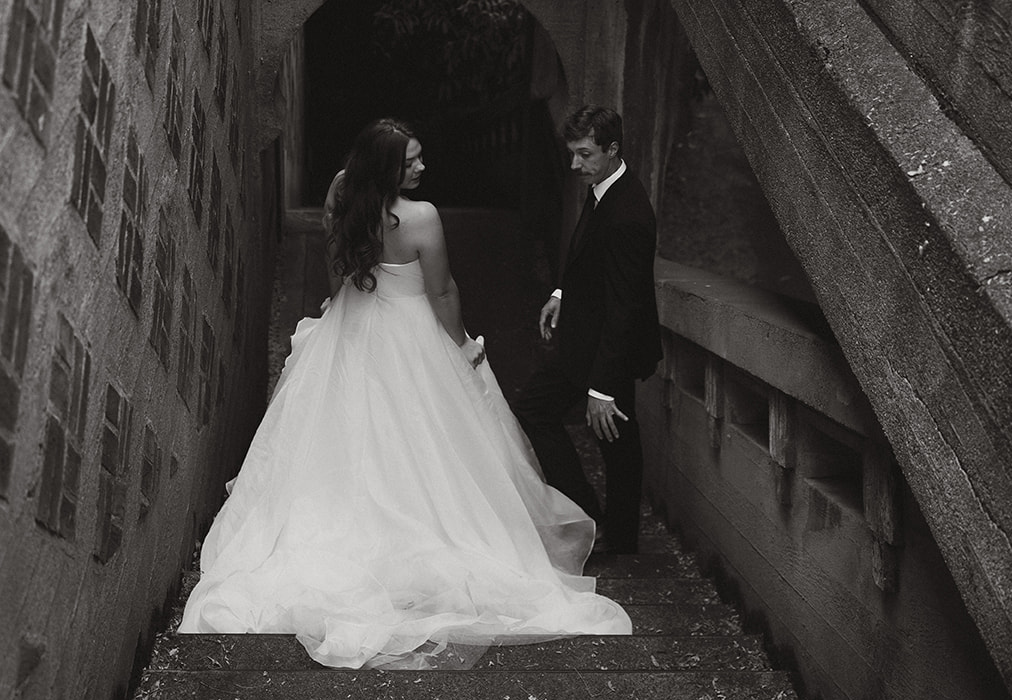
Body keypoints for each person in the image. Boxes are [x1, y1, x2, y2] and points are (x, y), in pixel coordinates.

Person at [178, 117, 630, 668]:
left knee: (343, 437)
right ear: (389, 167)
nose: (422, 167)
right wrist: (463, 346)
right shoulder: (421, 217)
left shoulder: (343, 194)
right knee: (427, 440)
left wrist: (334, 308)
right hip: (412, 333)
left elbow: (335, 266)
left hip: (353, 323)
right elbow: (441, 290)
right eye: (411, 160)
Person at [514, 106, 661, 554]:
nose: (575, 165)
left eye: (584, 154)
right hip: (587, 335)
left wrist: (601, 387)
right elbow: (589, 260)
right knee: (618, 439)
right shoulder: (603, 188)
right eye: (573, 154)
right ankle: (614, 534)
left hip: (602, 348)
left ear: (612, 150)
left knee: (542, 412)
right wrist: (561, 292)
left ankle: (597, 525)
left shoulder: (628, 213)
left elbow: (625, 304)